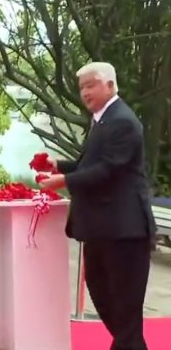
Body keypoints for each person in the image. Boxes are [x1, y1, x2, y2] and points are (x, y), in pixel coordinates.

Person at [39, 62, 156, 350]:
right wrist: (60, 166)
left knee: (124, 310)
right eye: (81, 87)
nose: (85, 92)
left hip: (125, 230)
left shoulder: (124, 121)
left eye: (91, 85)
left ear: (110, 85)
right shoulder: (103, 120)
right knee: (107, 301)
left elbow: (108, 170)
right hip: (102, 229)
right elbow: (89, 165)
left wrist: (63, 180)